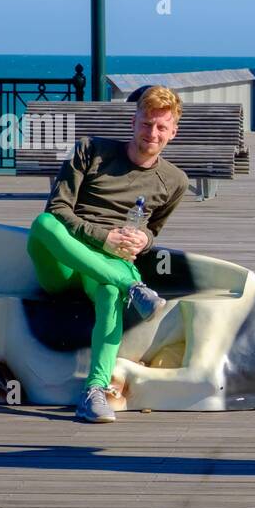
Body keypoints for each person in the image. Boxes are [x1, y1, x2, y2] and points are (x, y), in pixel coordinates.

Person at [27, 85, 190, 422]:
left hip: (102, 269)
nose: (152, 133)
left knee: (108, 290)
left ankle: (95, 392)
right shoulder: (91, 151)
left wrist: (142, 240)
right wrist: (104, 238)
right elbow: (57, 210)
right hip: (62, 261)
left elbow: (153, 229)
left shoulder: (174, 181)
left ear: (173, 132)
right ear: (134, 122)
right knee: (42, 224)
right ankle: (133, 286)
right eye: (146, 124)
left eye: (161, 127)